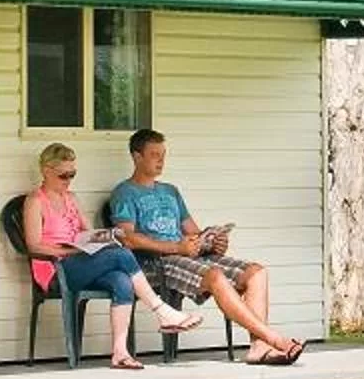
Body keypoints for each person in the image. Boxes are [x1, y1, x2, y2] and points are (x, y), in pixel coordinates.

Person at [110, 128, 306, 365]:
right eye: (154, 155)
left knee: (256, 272)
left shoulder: (170, 191)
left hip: (188, 256)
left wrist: (212, 241)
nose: (161, 160)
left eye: (163, 154)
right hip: (156, 262)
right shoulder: (124, 192)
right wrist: (176, 247)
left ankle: (258, 347)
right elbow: (127, 238)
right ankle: (272, 339)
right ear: (137, 156)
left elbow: (193, 231)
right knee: (214, 276)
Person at [22, 142, 199, 370]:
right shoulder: (35, 202)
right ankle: (162, 311)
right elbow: (33, 245)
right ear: (46, 171)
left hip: (80, 262)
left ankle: (120, 353)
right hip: (56, 270)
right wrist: (68, 251)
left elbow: (87, 233)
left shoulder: (71, 198)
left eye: (72, 175)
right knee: (121, 255)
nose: (68, 181)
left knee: (121, 280)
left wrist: (105, 237)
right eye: (63, 175)